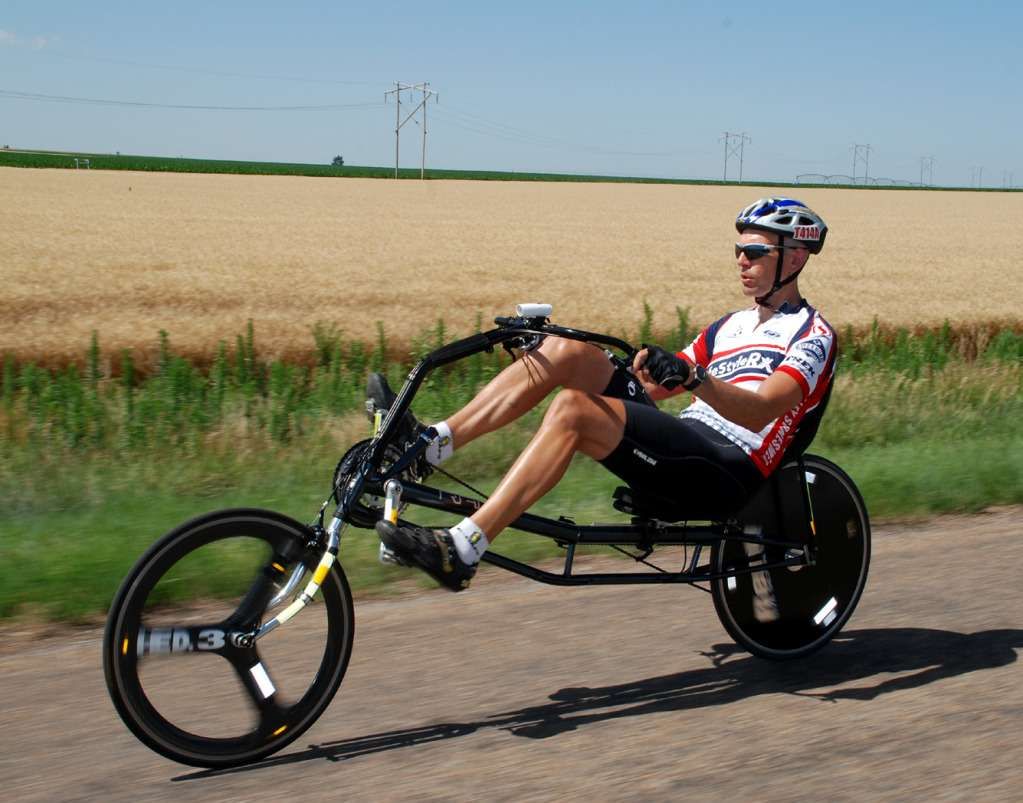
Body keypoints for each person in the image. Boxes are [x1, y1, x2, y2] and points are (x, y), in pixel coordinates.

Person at [371, 197, 837, 592]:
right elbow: (655, 387)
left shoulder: (813, 335)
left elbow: (760, 411)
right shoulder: (729, 326)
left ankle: (462, 548)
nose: (741, 260)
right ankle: (427, 448)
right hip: (683, 442)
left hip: (728, 467)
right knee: (567, 350)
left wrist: (694, 376)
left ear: (795, 258)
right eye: (739, 250)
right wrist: (643, 367)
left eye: (755, 251)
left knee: (574, 411)